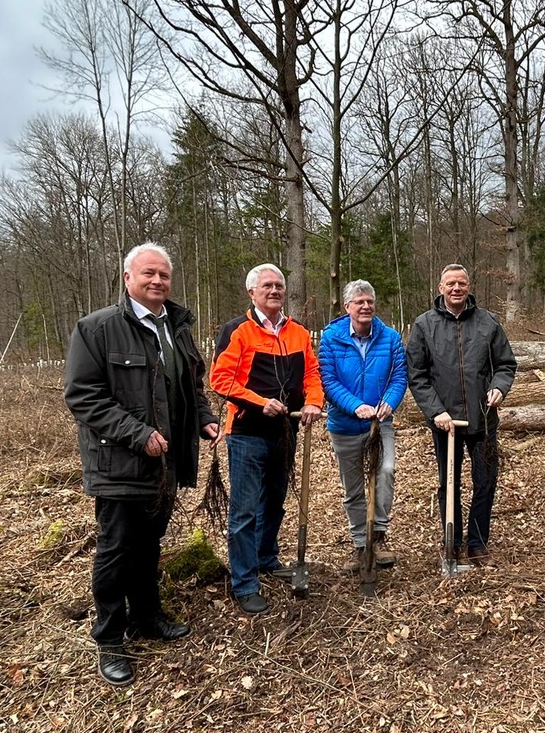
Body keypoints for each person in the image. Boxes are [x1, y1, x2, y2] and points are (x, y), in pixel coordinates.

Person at [65, 242, 220, 687]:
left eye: (164, 275)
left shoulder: (176, 326)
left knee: (151, 541)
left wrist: (205, 419)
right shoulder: (98, 329)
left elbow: (191, 384)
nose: (157, 282)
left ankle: (147, 616)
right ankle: (111, 638)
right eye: (148, 274)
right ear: (128, 278)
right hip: (119, 464)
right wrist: (137, 434)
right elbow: (83, 396)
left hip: (164, 462)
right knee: (116, 551)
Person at [209, 264, 323, 615]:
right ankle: (244, 582)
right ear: (252, 292)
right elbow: (220, 379)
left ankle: (265, 557)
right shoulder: (237, 331)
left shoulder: (298, 332)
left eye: (279, 285)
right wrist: (260, 403)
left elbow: (312, 373)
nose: (274, 290)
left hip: (285, 433)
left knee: (274, 501)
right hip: (247, 433)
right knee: (243, 510)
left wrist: (314, 402)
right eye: (267, 286)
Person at [406, 264, 517, 565]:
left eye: (462, 283)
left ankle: (478, 543)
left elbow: (506, 365)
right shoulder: (424, 325)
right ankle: (451, 542)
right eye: (450, 283)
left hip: (483, 418)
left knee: (486, 480)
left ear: (469, 286)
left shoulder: (488, 322)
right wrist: (435, 411)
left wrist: (499, 388)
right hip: (445, 422)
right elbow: (416, 374)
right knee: (449, 483)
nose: (456, 288)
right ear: (440, 287)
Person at [318, 279, 408, 571]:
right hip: (344, 426)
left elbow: (399, 377)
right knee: (353, 488)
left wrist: (388, 403)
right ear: (348, 307)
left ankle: (378, 535)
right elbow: (327, 380)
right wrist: (355, 405)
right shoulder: (331, 338)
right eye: (359, 302)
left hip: (380, 425)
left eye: (369, 301)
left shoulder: (390, 337)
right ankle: (360, 544)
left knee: (386, 471)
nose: (366, 306)